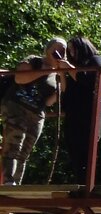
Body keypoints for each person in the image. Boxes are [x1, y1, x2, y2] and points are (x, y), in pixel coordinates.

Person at [1, 38, 73, 185]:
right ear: (48, 49)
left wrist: (61, 73)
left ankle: (16, 184)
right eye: (57, 48)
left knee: (25, 151)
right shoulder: (34, 60)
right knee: (14, 144)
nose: (59, 52)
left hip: (36, 113)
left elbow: (51, 101)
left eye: (63, 50)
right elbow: (19, 78)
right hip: (17, 106)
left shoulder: (57, 75)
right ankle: (8, 181)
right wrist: (45, 71)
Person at [62, 35, 101, 182]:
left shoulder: (96, 60)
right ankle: (81, 183)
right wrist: (62, 72)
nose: (71, 53)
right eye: (69, 50)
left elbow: (90, 81)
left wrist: (69, 69)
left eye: (73, 49)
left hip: (87, 114)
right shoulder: (76, 66)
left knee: (86, 151)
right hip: (73, 115)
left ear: (82, 47)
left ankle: (87, 185)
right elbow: (66, 90)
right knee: (74, 151)